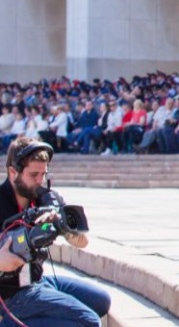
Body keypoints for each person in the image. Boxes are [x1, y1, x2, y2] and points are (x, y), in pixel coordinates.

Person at [0, 138, 110, 325]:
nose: (40, 181)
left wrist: (62, 226)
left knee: (101, 301)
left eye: (44, 174)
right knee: (89, 321)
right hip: (11, 294)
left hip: (37, 279)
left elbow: (82, 242)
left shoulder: (47, 199)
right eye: (33, 174)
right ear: (12, 172)